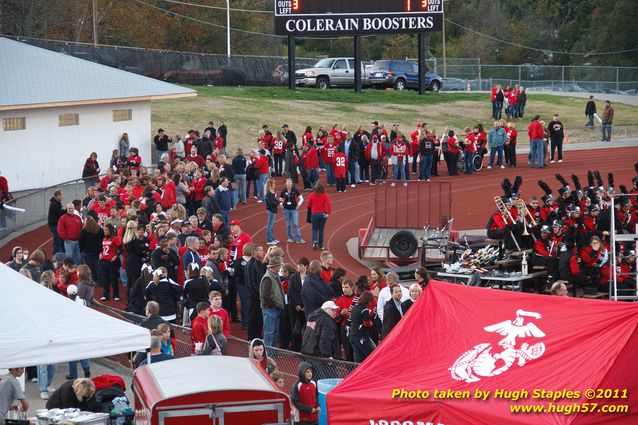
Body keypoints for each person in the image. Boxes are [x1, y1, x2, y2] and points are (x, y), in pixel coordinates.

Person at [349, 291, 377, 363]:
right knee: (372, 355)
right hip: (362, 336)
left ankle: (359, 372)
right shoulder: (365, 310)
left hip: (352, 335)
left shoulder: (354, 308)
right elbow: (367, 323)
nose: (371, 303)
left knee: (358, 358)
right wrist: (370, 324)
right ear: (368, 301)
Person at [99, 223, 120, 301]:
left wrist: (116, 256)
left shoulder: (114, 238)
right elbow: (104, 249)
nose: (105, 231)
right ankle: (105, 294)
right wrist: (101, 253)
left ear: (110, 230)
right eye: (104, 230)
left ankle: (116, 295)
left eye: (106, 230)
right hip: (104, 261)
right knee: (105, 279)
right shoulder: (104, 239)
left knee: (113, 279)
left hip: (112, 262)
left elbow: (121, 248)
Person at [306, 183, 331, 251]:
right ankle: (320, 246)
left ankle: (314, 242)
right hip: (323, 214)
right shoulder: (325, 195)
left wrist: (312, 207)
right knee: (321, 230)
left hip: (314, 214)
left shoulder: (312, 195)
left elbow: (308, 204)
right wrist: (328, 213)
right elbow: (328, 204)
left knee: (314, 229)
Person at [78, 216, 103, 280]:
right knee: (98, 266)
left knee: (90, 267)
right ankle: (100, 280)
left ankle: (93, 279)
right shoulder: (100, 229)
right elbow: (103, 239)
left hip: (87, 252)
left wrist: (81, 250)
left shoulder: (84, 231)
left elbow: (80, 241)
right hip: (98, 251)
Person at [263, 178, 280, 245]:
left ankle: (272, 238)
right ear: (270, 184)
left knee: (271, 226)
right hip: (271, 210)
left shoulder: (271, 193)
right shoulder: (269, 193)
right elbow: (273, 202)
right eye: (273, 183)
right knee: (269, 226)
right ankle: (269, 240)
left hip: (273, 210)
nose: (274, 185)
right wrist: (279, 201)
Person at [48, 190, 65, 254]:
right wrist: (68, 209)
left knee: (61, 241)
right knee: (57, 242)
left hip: (57, 225)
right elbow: (60, 213)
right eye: (62, 195)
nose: (63, 197)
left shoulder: (57, 203)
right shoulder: (54, 204)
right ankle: (55, 256)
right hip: (54, 226)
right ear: (58, 195)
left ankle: (62, 253)